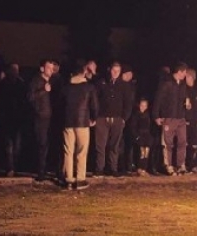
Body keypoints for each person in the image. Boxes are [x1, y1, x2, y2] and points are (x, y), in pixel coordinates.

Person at [60, 59, 98, 190]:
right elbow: (94, 105)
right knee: (81, 151)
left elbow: (60, 104)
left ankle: (69, 179)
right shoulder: (89, 87)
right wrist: (93, 118)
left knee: (68, 151)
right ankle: (80, 179)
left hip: (67, 122)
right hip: (83, 122)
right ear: (83, 71)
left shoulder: (66, 87)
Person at [152, 62, 189, 175]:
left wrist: (187, 105)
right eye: (184, 72)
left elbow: (184, 98)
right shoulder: (167, 83)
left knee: (182, 141)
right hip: (169, 117)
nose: (185, 75)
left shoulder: (183, 85)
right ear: (179, 72)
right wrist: (156, 116)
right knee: (168, 143)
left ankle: (180, 165)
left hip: (181, 118)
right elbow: (158, 99)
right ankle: (168, 166)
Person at [94, 61, 130, 176]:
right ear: (110, 70)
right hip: (102, 118)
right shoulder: (101, 83)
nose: (115, 73)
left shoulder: (124, 85)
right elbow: (95, 100)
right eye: (114, 70)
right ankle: (100, 168)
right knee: (100, 145)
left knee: (114, 145)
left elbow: (128, 103)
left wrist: (124, 118)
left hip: (117, 119)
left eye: (118, 71)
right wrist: (96, 116)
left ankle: (113, 168)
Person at [0, 63, 28, 176]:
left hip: (17, 119)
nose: (15, 72)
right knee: (9, 145)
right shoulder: (4, 84)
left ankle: (13, 167)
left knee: (16, 145)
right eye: (13, 70)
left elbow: (24, 101)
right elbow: (0, 100)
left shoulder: (20, 83)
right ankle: (10, 167)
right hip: (7, 118)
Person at [28, 59, 55, 182]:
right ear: (42, 69)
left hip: (50, 117)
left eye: (52, 68)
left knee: (48, 144)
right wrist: (44, 90)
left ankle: (46, 169)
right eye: (48, 67)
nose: (51, 70)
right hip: (40, 117)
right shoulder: (36, 81)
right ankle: (40, 172)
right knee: (41, 144)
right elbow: (30, 97)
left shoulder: (53, 81)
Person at [184, 68, 197, 172]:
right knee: (185, 143)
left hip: (196, 121)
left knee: (195, 144)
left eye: (187, 76)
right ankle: (185, 164)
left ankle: (194, 165)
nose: (185, 78)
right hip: (186, 121)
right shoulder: (183, 89)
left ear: (192, 77)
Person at [126, 97, 153, 175]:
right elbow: (133, 127)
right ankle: (139, 168)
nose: (143, 107)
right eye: (142, 105)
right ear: (139, 105)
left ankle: (144, 169)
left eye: (145, 105)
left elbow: (150, 126)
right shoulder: (136, 115)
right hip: (139, 135)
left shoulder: (148, 115)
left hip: (147, 136)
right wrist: (137, 136)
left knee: (146, 152)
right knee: (141, 152)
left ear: (147, 106)